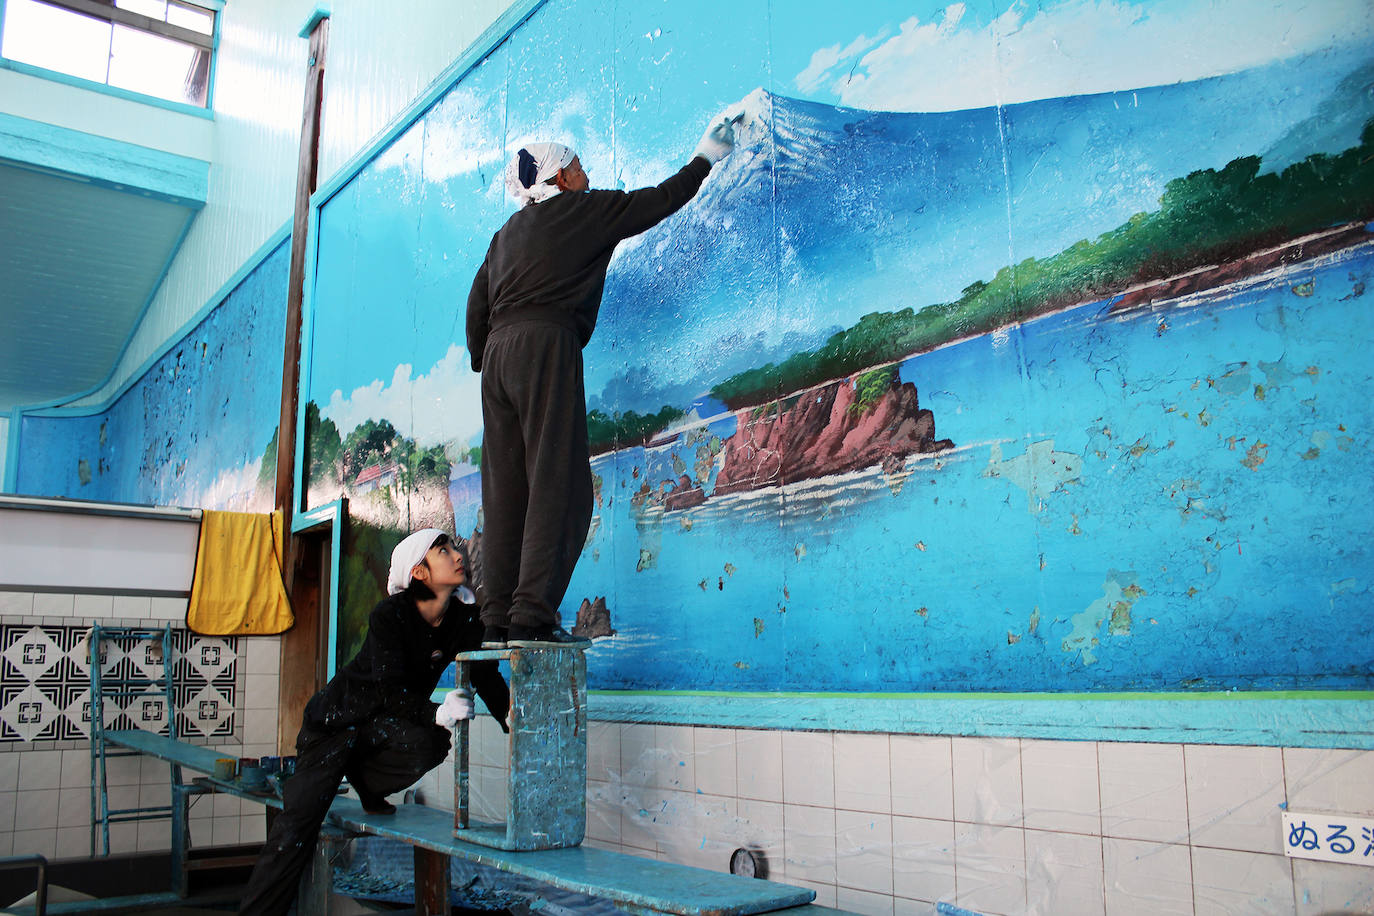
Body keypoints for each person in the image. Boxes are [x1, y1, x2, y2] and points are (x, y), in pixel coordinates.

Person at [466, 112, 740, 648]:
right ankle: (531, 616)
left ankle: (495, 616)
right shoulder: (581, 211)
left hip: (498, 357)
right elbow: (656, 202)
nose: (585, 172)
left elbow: (476, 308)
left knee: (505, 490)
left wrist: (490, 360)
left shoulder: (503, 236)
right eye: (577, 166)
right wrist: (704, 159)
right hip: (546, 343)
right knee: (559, 484)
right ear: (559, 179)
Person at [238, 528, 509, 916]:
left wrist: (510, 714)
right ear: (418, 573)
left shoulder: (463, 621)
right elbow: (387, 690)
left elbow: (485, 676)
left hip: (377, 730)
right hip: (333, 727)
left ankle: (366, 784)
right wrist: (438, 711)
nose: (457, 554)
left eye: (454, 547)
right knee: (296, 830)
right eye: (443, 550)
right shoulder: (391, 616)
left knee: (432, 743)